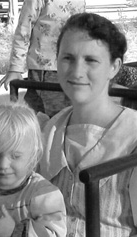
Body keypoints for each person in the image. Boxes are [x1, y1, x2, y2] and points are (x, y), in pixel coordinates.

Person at [38, 12, 137, 236]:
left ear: (114, 67)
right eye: (68, 58)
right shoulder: (50, 130)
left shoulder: (133, 138)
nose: (76, 71)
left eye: (91, 60)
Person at [0, 103, 67, 237]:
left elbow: (54, 233)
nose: (3, 165)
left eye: (15, 156)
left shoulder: (43, 195)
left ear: (34, 154)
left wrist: (15, 231)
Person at [0, 0, 85, 117]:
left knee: (69, 116)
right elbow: (24, 30)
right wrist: (16, 68)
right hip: (46, 69)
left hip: (72, 66)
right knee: (45, 117)